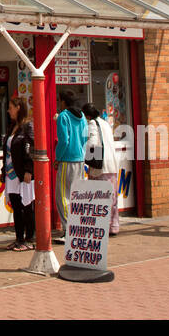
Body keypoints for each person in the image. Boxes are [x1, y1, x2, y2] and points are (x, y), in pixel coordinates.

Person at [53, 88, 88, 245]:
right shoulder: (83, 118)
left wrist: (57, 158)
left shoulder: (63, 116)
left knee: (62, 197)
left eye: (59, 100)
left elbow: (64, 141)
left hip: (67, 161)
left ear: (63, 102)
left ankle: (68, 230)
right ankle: (77, 227)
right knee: (76, 196)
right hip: (80, 160)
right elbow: (85, 138)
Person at [83, 102, 122, 235]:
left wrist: (85, 151)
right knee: (112, 198)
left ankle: (102, 226)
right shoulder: (105, 123)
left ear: (87, 116)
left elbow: (92, 143)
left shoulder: (92, 124)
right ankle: (114, 225)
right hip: (111, 164)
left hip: (101, 166)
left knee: (99, 197)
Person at [4, 97, 35, 251]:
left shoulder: (28, 126)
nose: (9, 111)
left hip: (22, 173)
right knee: (16, 205)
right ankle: (18, 238)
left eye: (11, 107)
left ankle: (29, 238)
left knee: (26, 205)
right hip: (11, 173)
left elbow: (30, 149)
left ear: (18, 108)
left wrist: (29, 170)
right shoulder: (12, 127)